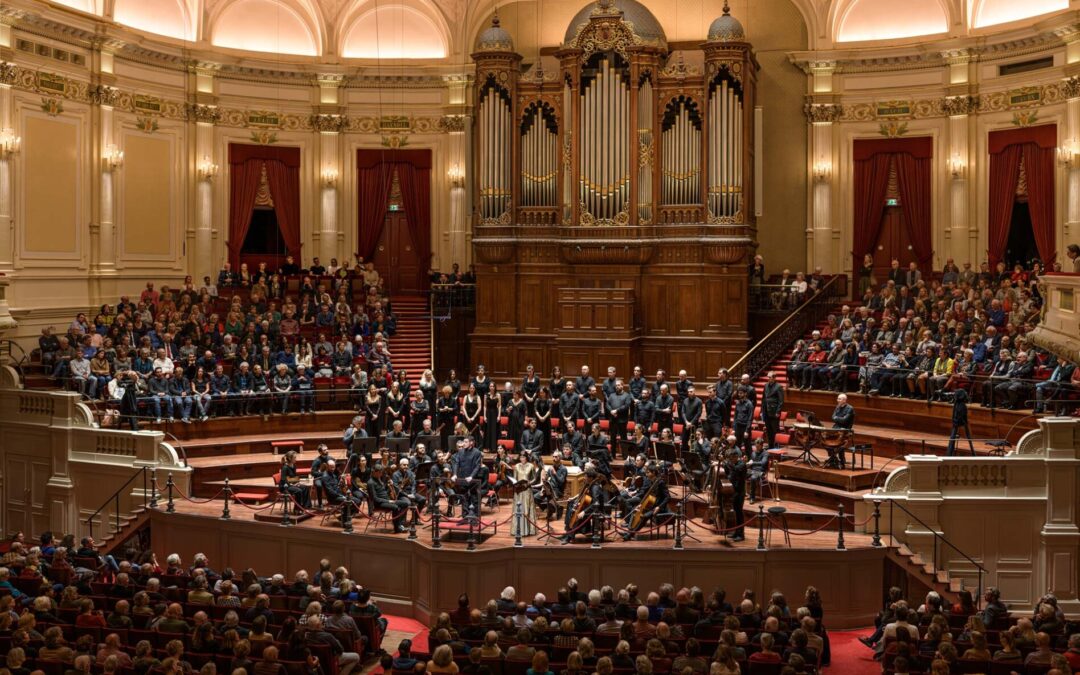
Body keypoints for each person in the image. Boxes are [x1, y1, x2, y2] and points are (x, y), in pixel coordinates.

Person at [368, 463, 410, 533]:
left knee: (405, 504)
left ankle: (400, 524)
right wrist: (388, 501)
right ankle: (397, 528)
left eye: (381, 472)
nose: (381, 474)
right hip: (379, 503)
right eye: (380, 472)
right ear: (374, 472)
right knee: (395, 507)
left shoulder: (379, 479)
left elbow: (383, 492)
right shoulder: (370, 483)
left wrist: (389, 485)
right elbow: (375, 499)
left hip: (387, 500)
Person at [723, 448, 747, 541]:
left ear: (736, 457)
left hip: (740, 492)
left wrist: (726, 462)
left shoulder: (742, 464)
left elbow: (735, 469)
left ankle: (741, 535)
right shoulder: (732, 464)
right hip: (734, 491)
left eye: (731, 458)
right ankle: (736, 532)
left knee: (739, 513)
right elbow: (728, 472)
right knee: (736, 513)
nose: (730, 460)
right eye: (729, 458)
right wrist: (724, 463)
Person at [946, 388, 975, 456]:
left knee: (953, 437)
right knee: (953, 437)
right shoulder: (960, 405)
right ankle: (949, 453)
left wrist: (956, 421)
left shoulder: (958, 404)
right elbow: (959, 415)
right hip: (959, 421)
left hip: (957, 421)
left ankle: (949, 453)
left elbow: (959, 415)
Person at [761, 372, 784, 448]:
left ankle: (777, 445)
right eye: (768, 377)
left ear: (774, 378)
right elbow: (763, 399)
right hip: (766, 410)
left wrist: (778, 412)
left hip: (774, 411)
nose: (768, 379)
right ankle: (770, 445)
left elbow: (781, 401)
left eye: (770, 377)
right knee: (768, 429)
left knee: (775, 429)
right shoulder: (766, 385)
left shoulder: (778, 387)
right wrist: (762, 410)